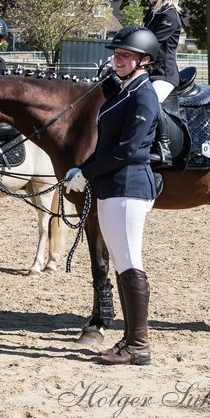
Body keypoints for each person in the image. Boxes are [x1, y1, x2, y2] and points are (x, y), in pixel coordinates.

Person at [61, 25, 161, 366]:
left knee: (131, 263)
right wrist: (81, 168)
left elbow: (128, 149)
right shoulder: (122, 92)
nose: (117, 60)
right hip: (112, 188)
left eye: (125, 56)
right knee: (122, 264)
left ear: (144, 60)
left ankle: (139, 345)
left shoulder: (144, 95)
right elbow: (105, 145)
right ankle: (130, 340)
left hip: (130, 187)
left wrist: (87, 172)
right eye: (116, 55)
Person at [140, 0, 185, 104]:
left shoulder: (169, 16)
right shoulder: (153, 13)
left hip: (163, 76)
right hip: (148, 72)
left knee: (147, 105)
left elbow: (151, 44)